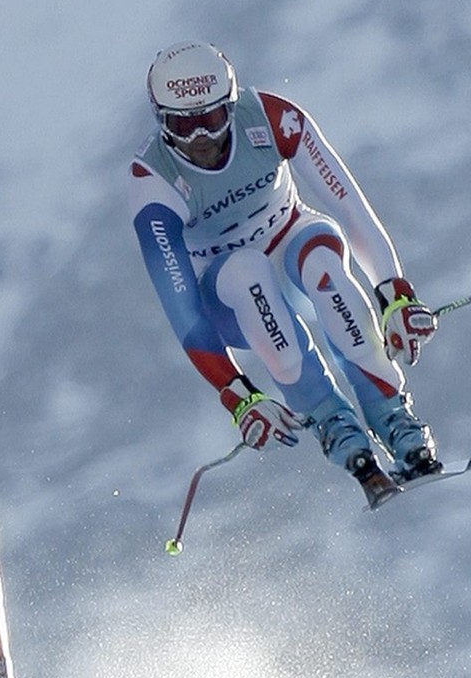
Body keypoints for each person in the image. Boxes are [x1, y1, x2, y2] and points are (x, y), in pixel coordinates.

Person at [128, 40, 441, 508]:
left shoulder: (272, 118)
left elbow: (349, 205)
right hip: (232, 296)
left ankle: (395, 418)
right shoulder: (152, 181)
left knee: (321, 257)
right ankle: (340, 433)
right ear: (162, 123)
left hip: (293, 246)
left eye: (211, 120)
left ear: (231, 106)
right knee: (246, 271)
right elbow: (183, 309)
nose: (203, 141)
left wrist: (394, 293)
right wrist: (239, 398)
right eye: (183, 127)